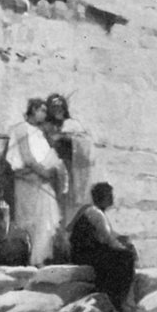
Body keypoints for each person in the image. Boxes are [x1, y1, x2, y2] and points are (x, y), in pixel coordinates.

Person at [6, 98, 67, 265]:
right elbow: (27, 158)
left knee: (45, 222)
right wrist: (44, 172)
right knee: (31, 221)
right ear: (33, 110)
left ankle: (40, 258)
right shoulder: (21, 128)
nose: (45, 114)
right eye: (42, 110)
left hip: (41, 181)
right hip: (28, 182)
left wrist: (51, 170)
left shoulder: (39, 133)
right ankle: (33, 259)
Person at [68, 182, 138, 311]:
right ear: (103, 197)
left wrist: (123, 241)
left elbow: (109, 236)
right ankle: (118, 301)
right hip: (85, 255)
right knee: (126, 257)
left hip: (85, 252)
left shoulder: (91, 210)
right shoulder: (96, 213)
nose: (112, 198)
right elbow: (108, 239)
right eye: (109, 195)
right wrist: (125, 248)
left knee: (122, 254)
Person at [42, 93, 93, 222]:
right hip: (53, 168)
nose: (58, 110)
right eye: (54, 107)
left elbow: (85, 143)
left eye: (60, 107)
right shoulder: (46, 126)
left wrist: (66, 137)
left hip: (72, 168)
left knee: (71, 202)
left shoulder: (72, 124)